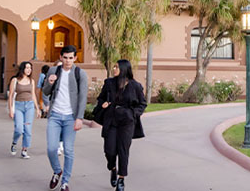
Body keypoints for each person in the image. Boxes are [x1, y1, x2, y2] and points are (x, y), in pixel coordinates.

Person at [97, 59, 147, 191]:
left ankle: (121, 178)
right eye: (114, 67)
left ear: (124, 69)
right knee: (109, 150)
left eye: (116, 67)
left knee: (123, 150)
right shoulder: (109, 83)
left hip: (127, 122)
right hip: (111, 120)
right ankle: (113, 168)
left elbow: (142, 103)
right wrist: (103, 104)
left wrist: (133, 114)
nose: (114, 69)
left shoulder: (135, 86)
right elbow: (101, 98)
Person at [42, 46, 88, 191]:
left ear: (75, 58)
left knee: (68, 150)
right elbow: (45, 91)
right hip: (55, 115)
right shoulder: (53, 71)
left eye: (71, 58)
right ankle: (57, 171)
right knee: (51, 148)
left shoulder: (80, 73)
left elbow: (82, 97)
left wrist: (79, 118)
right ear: (61, 57)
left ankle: (65, 181)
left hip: (70, 117)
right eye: (65, 57)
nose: (68, 61)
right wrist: (49, 82)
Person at [8, 61, 41, 158]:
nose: (29, 70)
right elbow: (10, 96)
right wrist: (11, 109)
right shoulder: (15, 80)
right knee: (19, 129)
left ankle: (24, 149)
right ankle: (14, 143)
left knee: (27, 129)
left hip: (29, 106)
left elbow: (33, 95)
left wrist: (37, 108)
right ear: (22, 69)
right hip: (18, 106)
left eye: (30, 68)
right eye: (27, 68)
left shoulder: (32, 81)